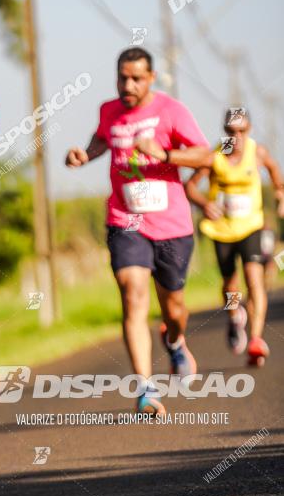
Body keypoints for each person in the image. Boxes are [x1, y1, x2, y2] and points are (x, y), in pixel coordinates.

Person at [65, 48, 212, 416]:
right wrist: (86, 154)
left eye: (136, 78)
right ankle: (146, 389)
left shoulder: (172, 111)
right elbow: (103, 139)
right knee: (133, 294)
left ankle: (175, 341)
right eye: (122, 77)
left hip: (172, 225)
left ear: (151, 78)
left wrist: (165, 155)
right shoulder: (108, 110)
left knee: (174, 307)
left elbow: (206, 155)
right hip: (125, 220)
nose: (127, 85)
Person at [185, 107, 284, 365]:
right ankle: (234, 317)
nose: (236, 136)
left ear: (249, 130)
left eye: (241, 130)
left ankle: (256, 339)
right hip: (222, 230)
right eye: (231, 131)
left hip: (251, 226)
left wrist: (280, 194)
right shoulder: (215, 155)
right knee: (231, 287)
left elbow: (274, 172)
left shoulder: (257, 152)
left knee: (255, 280)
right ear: (225, 131)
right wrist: (204, 204)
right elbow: (190, 187)